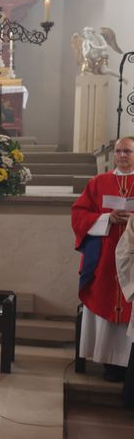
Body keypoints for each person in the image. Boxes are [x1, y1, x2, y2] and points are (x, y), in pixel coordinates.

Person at [74, 136, 134, 383]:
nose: (122, 155)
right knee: (105, 300)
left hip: (131, 260)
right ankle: (109, 363)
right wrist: (108, 218)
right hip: (105, 257)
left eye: (128, 151)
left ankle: (129, 364)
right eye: (119, 151)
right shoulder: (98, 182)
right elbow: (79, 214)